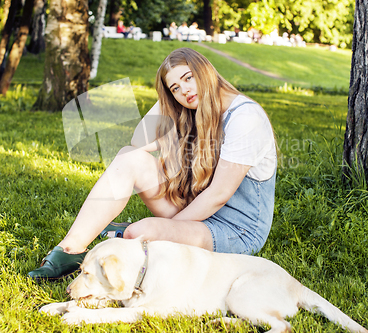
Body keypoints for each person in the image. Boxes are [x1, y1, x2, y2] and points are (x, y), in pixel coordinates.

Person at [28, 48, 277, 280]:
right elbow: (139, 142)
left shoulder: (245, 118)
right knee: (129, 158)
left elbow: (218, 195)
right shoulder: (194, 108)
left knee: (139, 233)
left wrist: (166, 227)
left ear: (205, 70)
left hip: (234, 230)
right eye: (176, 88)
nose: (185, 91)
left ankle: (123, 233)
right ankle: (71, 249)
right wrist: (167, 98)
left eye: (189, 78)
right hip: (196, 211)